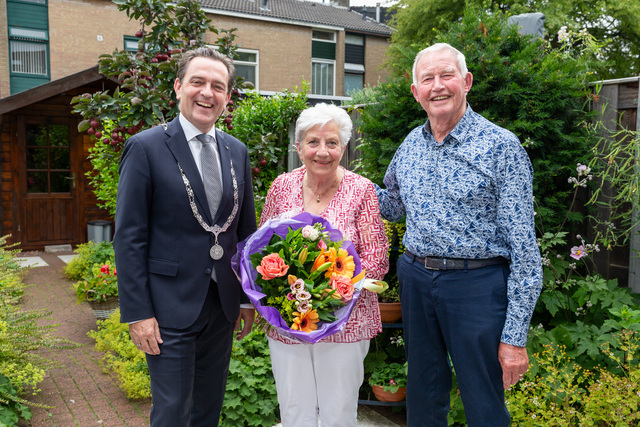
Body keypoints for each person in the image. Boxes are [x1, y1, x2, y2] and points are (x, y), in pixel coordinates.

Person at [376, 43, 543, 426]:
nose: (438, 86)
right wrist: (341, 181)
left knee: (483, 401)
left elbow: (525, 250)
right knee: (422, 394)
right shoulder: (410, 146)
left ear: (466, 82)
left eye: (446, 75)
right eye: (427, 78)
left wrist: (515, 337)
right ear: (415, 91)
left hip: (477, 284)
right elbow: (393, 206)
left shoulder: (501, 147)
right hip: (416, 280)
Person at [113, 46, 257, 427]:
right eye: (198, 82)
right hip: (167, 307)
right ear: (178, 87)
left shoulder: (236, 151)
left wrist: (245, 298)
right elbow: (129, 237)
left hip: (221, 304)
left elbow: (245, 231)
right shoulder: (145, 147)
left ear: (227, 97)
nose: (207, 93)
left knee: (207, 409)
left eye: (218, 86)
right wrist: (138, 312)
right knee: (173, 411)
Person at [259, 103, 389, 427]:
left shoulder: (361, 190)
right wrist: (286, 296)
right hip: (289, 323)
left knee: (339, 414)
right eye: (313, 142)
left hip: (345, 324)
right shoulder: (281, 186)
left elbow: (377, 258)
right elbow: (260, 251)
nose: (322, 151)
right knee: (294, 412)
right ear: (299, 146)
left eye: (332, 143)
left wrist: (327, 296)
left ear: (343, 148)